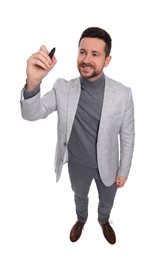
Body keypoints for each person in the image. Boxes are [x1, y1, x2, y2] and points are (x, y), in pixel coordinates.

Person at [20, 27, 135, 244]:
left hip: (109, 166)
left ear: (107, 60)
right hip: (77, 164)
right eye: (83, 52)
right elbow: (31, 114)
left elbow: (128, 134)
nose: (86, 59)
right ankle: (81, 219)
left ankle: (104, 220)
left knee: (107, 200)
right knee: (80, 196)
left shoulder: (123, 94)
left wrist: (124, 170)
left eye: (95, 54)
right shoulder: (63, 88)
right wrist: (33, 82)